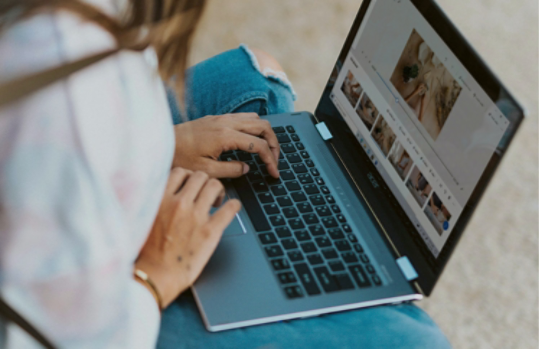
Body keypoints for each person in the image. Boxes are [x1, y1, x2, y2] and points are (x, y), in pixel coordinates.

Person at [0, 0, 451, 348]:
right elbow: (48, 333)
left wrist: (161, 145)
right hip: (112, 308)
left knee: (255, 80)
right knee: (413, 340)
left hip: (90, 188)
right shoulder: (63, 97)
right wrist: (154, 276)